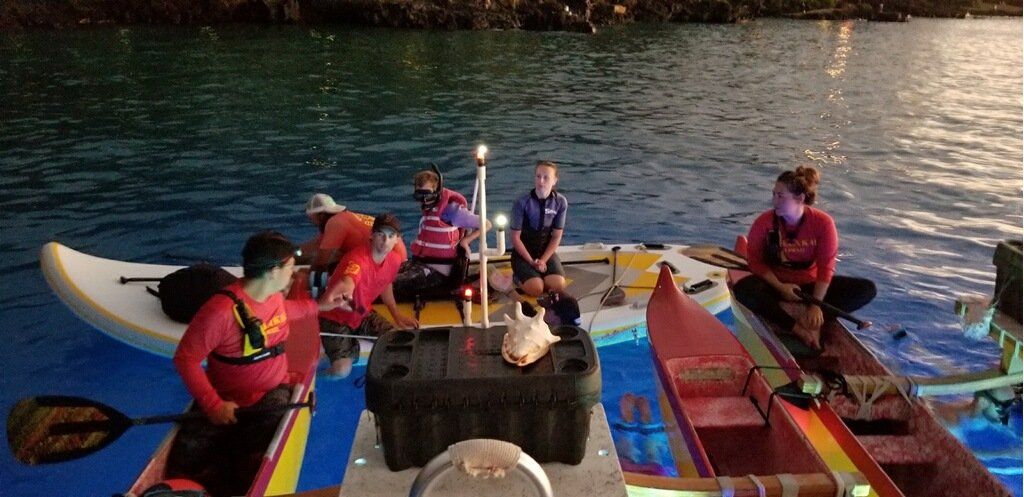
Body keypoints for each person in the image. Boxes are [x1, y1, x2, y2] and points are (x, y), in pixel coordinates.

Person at [167, 230, 343, 497]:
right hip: (226, 400)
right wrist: (213, 405)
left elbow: (286, 312)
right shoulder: (219, 312)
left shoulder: (273, 297)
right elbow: (185, 359)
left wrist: (319, 306)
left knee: (251, 465)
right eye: (290, 268)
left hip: (271, 395)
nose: (293, 274)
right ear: (273, 271)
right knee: (187, 463)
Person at [733, 165, 876, 350]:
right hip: (774, 285)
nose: (774, 201)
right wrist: (781, 287)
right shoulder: (764, 222)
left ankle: (813, 319)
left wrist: (817, 305)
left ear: (799, 198)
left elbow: (826, 267)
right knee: (744, 290)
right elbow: (755, 262)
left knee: (867, 289)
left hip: (810, 290)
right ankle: (797, 328)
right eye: (774, 194)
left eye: (780, 196)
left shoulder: (823, 223)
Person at [320, 213, 420, 378]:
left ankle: (355, 351)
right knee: (341, 371)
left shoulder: (394, 260)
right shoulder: (357, 260)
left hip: (361, 312)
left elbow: (385, 283)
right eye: (381, 234)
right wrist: (345, 289)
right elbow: (350, 278)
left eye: (390, 236)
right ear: (372, 235)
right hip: (335, 319)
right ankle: (319, 377)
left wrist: (396, 314)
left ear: (398, 239)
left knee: (396, 342)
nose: (385, 241)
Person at [392, 167, 487, 302]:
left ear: (436, 191)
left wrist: (466, 240)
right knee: (384, 273)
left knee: (389, 283)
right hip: (421, 264)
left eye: (427, 195)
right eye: (419, 196)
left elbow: (486, 224)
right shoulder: (430, 211)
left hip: (438, 271)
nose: (424, 200)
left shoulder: (451, 211)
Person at [299, 193, 407, 274]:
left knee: (334, 259)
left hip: (390, 266)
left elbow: (320, 263)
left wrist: (303, 273)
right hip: (400, 261)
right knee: (337, 254)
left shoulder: (335, 223)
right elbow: (315, 245)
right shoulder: (346, 218)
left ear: (321, 215)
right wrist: (291, 253)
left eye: (311, 218)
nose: (311, 222)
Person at [510, 160, 568, 297]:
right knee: (536, 289)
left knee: (558, 286)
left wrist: (543, 260)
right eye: (538, 176)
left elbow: (556, 236)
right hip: (523, 254)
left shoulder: (560, 202)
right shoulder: (522, 202)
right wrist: (531, 261)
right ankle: (517, 277)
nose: (541, 181)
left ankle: (538, 274)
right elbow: (515, 237)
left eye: (546, 177)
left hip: (544, 251)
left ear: (554, 181)